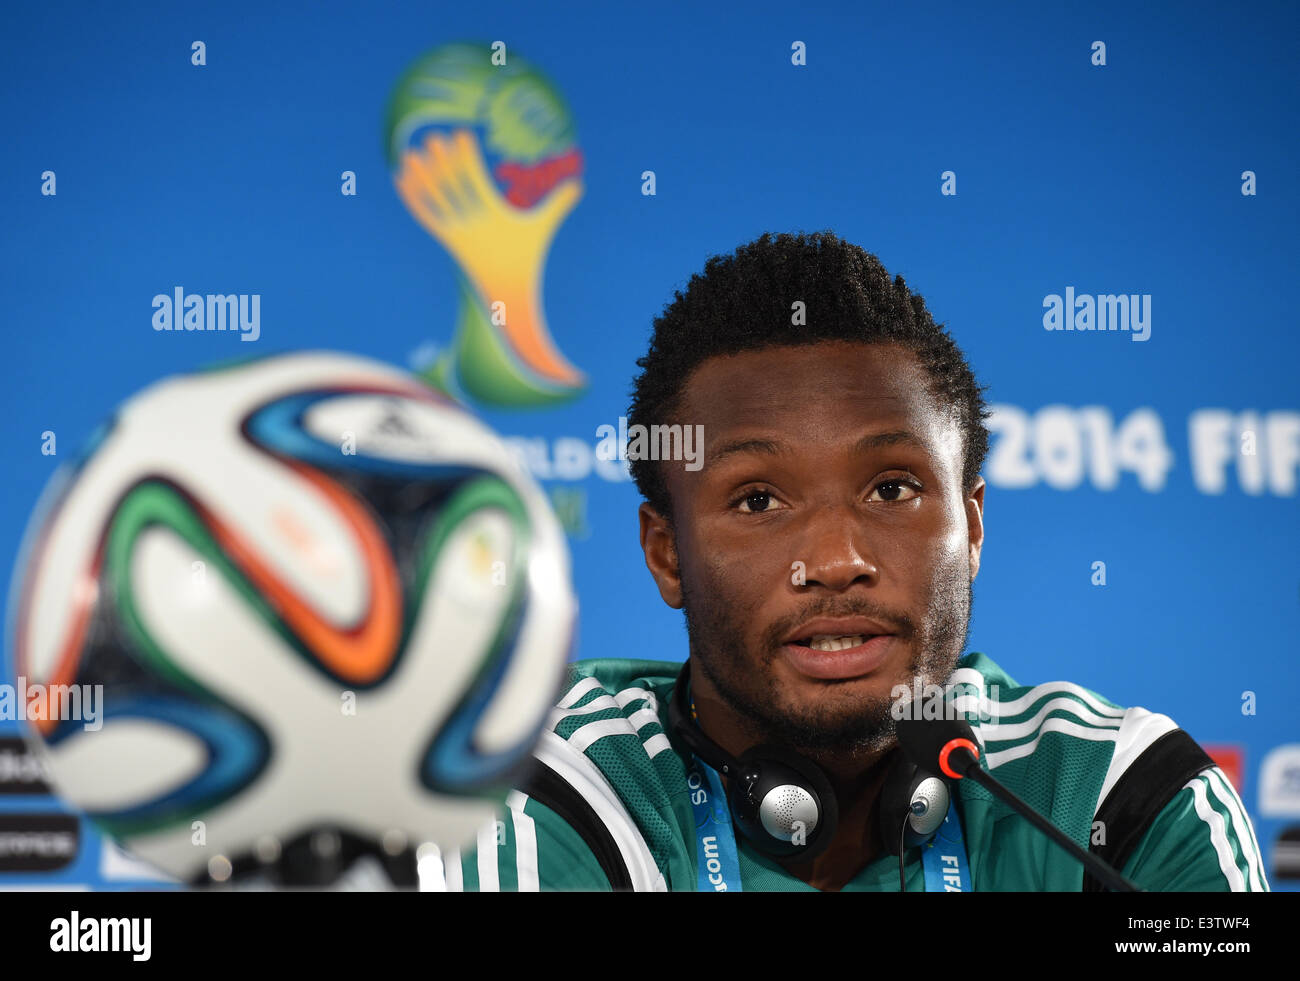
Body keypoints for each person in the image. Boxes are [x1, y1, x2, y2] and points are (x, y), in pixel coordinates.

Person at [440, 231, 1267, 891]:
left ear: (973, 525)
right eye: (759, 499)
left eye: (893, 488)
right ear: (667, 555)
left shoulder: (1118, 803)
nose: (836, 561)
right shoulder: (542, 795)